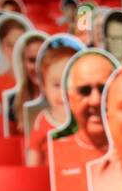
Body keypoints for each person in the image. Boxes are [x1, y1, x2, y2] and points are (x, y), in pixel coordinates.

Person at [49, 49, 117, 191]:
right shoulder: (52, 153)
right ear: (69, 99)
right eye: (85, 91)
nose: (96, 100)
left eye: (104, 89)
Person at [25, 38, 81, 167]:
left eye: (70, 83)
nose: (64, 92)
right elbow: (32, 166)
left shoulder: (85, 119)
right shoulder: (42, 122)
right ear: (44, 87)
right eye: (56, 85)